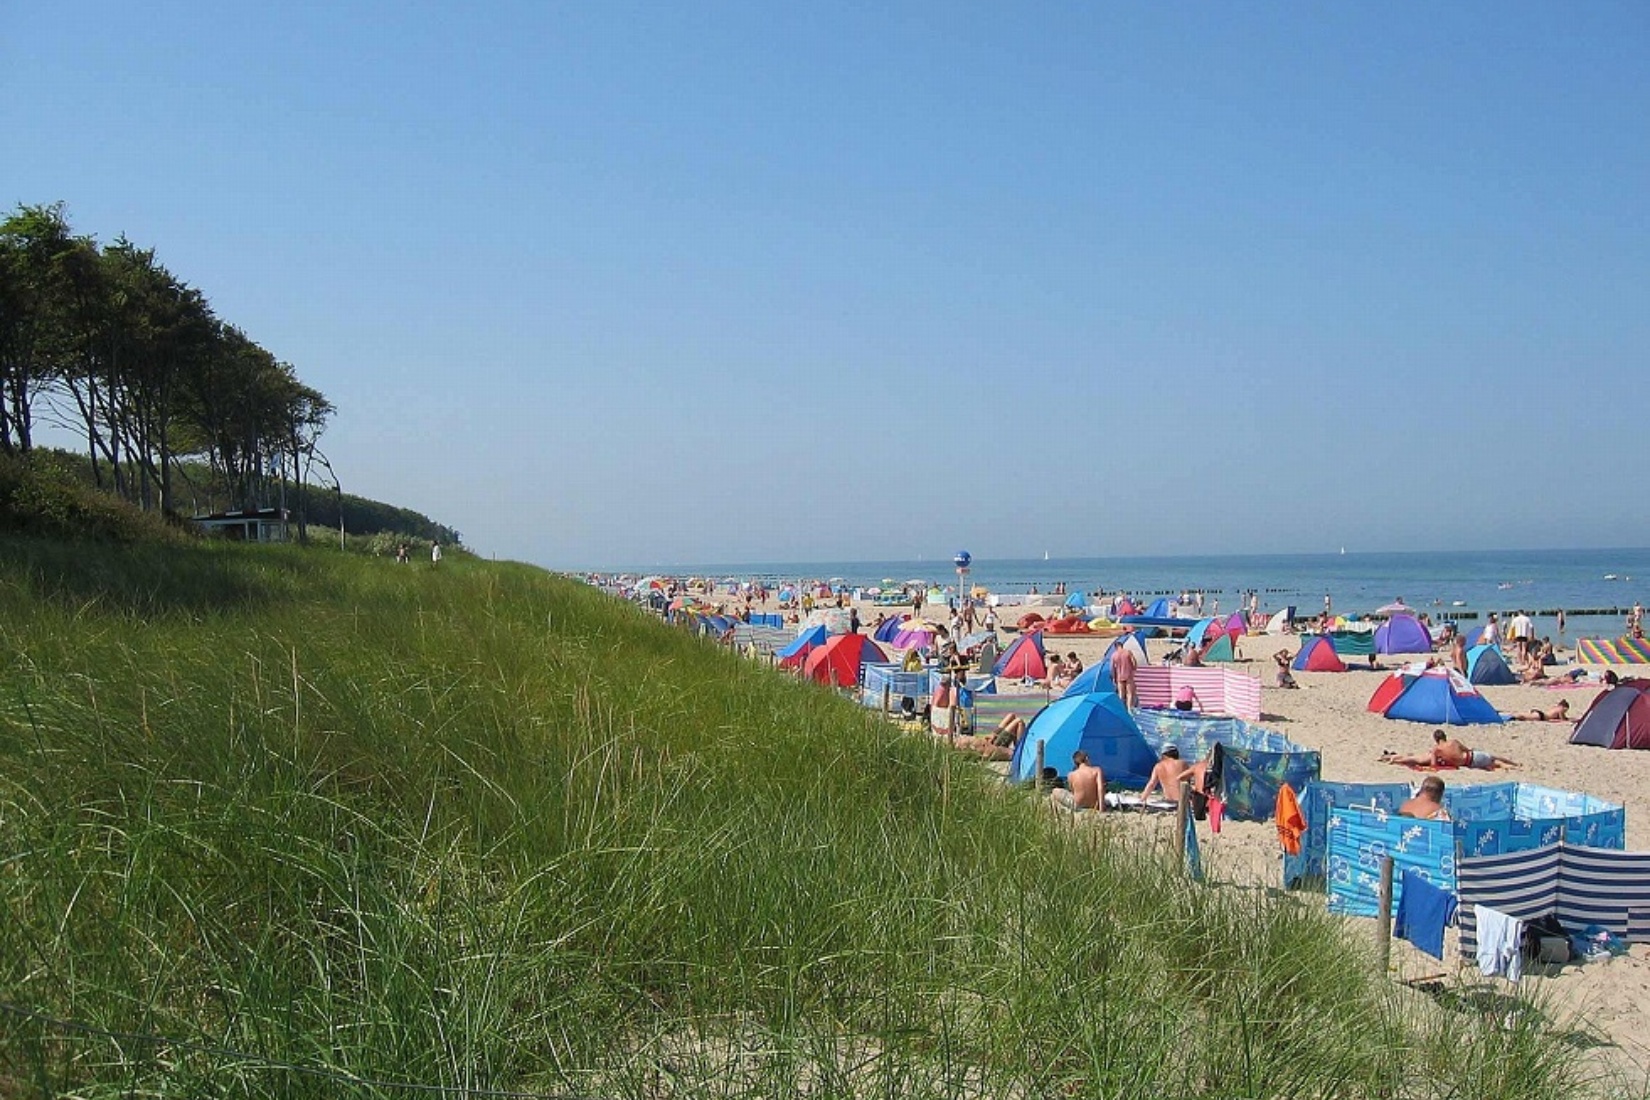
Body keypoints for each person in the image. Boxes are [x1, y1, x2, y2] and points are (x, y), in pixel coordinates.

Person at [1381, 729, 1518, 770]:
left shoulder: (1436, 750)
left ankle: (1393, 758)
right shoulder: (1454, 742)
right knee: (1494, 758)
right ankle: (1514, 764)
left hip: (1469, 763)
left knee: (1493, 764)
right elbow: (1466, 749)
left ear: (1435, 739)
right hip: (1472, 756)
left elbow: (1434, 765)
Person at [1139, 745, 1211, 803]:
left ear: (1164, 755)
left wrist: (1143, 798)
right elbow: (1188, 783)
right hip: (1182, 800)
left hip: (1169, 800)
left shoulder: (1158, 766)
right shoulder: (1182, 763)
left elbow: (1151, 784)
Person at [1112, 640, 1139, 709]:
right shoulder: (1128, 652)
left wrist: (1114, 678)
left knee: (1121, 695)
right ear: (1122, 646)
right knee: (1129, 694)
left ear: (1116, 647)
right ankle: (1129, 709)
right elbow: (1134, 663)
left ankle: (1122, 709)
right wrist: (1133, 669)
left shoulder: (1114, 655)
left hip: (1119, 676)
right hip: (1128, 675)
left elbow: (1112, 668)